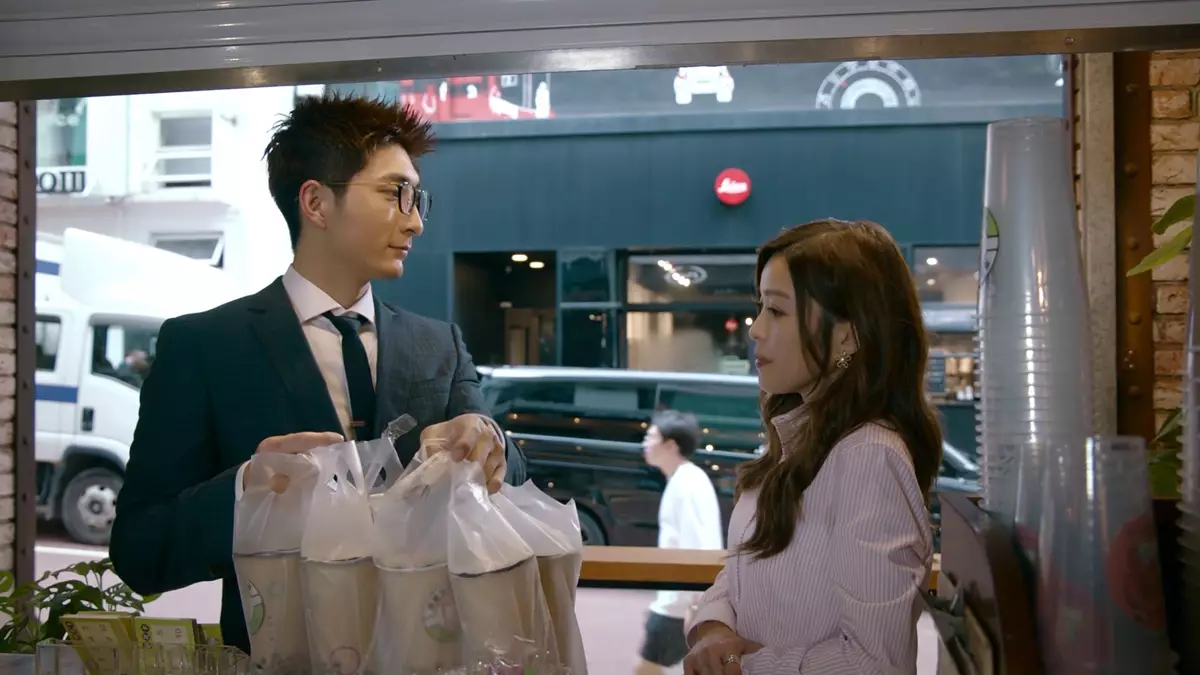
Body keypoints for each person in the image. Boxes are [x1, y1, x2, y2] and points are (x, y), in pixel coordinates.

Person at [109, 94, 527, 655]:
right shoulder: (204, 346)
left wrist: (488, 440)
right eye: (395, 194)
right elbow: (140, 549)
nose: (416, 221)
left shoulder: (438, 344)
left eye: (418, 198)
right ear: (316, 202)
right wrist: (247, 490)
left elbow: (513, 477)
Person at [682, 219, 942, 675]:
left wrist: (745, 666)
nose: (756, 329)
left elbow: (876, 664)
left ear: (848, 334)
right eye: (760, 307)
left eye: (777, 311)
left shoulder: (867, 458)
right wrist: (714, 629)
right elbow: (746, 570)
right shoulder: (800, 438)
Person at [638, 409, 724, 675]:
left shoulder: (687, 484)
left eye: (651, 436)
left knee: (647, 671)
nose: (644, 443)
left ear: (670, 445)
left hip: (677, 606)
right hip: (677, 602)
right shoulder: (685, 479)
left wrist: (697, 604)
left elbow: (699, 545)